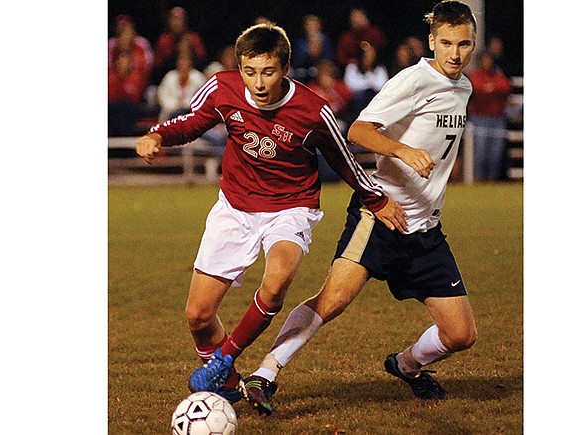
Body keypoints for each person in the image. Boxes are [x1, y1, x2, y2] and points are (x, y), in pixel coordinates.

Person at [135, 22, 406, 404]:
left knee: (276, 284)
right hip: (235, 207)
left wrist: (376, 198)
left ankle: (223, 359)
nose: (258, 83)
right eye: (250, 71)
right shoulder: (223, 87)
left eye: (268, 72)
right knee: (197, 315)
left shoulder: (313, 110)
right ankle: (227, 385)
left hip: (290, 208)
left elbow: (343, 160)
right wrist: (158, 134)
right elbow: (191, 123)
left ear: (285, 69)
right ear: (240, 66)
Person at [243, 0, 478, 415]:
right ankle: (265, 373)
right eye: (446, 43)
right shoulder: (412, 81)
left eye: (463, 44)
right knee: (332, 300)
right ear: (431, 41)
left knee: (461, 334)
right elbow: (360, 129)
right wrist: (404, 151)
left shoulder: (464, 87)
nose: (455, 54)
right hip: (382, 215)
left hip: (425, 230)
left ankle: (406, 366)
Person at [467, 51, 512, 181]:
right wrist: (492, 89)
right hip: (479, 118)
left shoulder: (498, 74)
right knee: (480, 152)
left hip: (497, 118)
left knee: (496, 153)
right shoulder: (476, 75)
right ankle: (477, 179)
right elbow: (476, 88)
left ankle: (493, 180)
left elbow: (505, 87)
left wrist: (490, 89)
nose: (487, 63)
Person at [152, 7, 208, 85]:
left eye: (180, 19)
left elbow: (203, 64)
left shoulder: (194, 39)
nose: (177, 23)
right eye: (174, 19)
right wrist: (175, 52)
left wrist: (189, 51)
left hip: (191, 79)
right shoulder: (164, 40)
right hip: (170, 80)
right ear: (169, 21)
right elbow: (157, 68)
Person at [343, 41, 388, 124]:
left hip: (374, 98)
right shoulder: (352, 68)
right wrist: (368, 84)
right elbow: (350, 85)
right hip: (356, 99)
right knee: (361, 96)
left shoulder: (380, 69)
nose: (369, 57)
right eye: (367, 54)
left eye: (371, 54)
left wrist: (365, 84)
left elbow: (382, 86)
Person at [156, 52, 206, 123]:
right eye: (182, 60)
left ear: (190, 62)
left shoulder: (198, 77)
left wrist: (185, 105)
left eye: (186, 60)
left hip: (191, 112)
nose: (184, 63)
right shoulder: (170, 76)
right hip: (171, 110)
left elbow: (202, 98)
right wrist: (175, 105)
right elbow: (162, 95)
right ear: (177, 62)